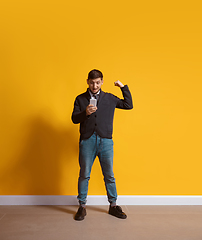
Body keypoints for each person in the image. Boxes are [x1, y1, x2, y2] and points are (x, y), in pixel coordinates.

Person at [71, 69, 133, 221]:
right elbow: (74, 118)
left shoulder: (109, 98)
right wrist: (85, 113)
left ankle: (113, 206)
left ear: (102, 82)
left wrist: (123, 87)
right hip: (87, 140)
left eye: (97, 82)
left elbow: (128, 105)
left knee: (109, 175)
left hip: (106, 141)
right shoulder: (80, 99)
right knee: (84, 174)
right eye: (92, 82)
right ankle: (82, 206)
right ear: (87, 82)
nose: (94, 85)